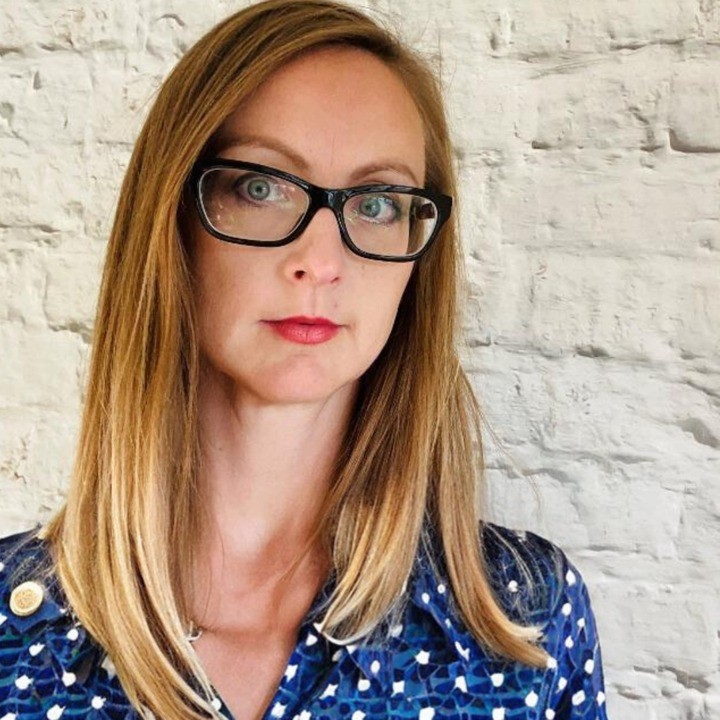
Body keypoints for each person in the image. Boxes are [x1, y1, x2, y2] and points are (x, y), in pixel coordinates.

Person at [0, 1, 608, 718]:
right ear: (172, 220)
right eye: (261, 187)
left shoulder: (524, 620)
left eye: (378, 204)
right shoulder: (15, 636)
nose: (321, 261)